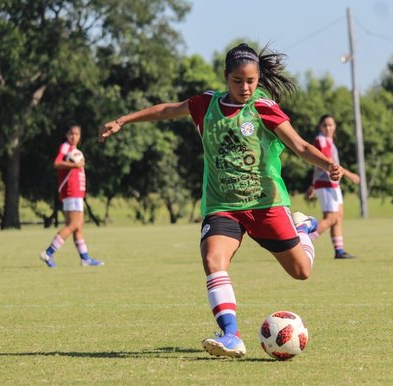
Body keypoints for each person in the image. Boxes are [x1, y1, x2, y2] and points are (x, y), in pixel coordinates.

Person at [99, 43, 346, 358]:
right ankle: (231, 335)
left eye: (251, 81)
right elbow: (166, 110)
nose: (245, 88)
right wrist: (123, 120)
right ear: (225, 78)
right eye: (237, 81)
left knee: (301, 271)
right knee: (213, 260)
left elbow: (298, 145)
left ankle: (303, 230)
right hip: (222, 207)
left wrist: (327, 164)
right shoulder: (206, 104)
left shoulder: (263, 108)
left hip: (265, 206)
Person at [39, 124, 105, 268]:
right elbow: (57, 163)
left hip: (77, 192)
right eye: (71, 134)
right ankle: (48, 252)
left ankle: (85, 258)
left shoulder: (75, 151)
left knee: (78, 227)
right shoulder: (65, 147)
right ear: (66, 135)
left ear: (80, 136)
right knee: (73, 224)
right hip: (71, 191)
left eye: (76, 134)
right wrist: (75, 166)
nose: (73, 136)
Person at [305, 115, 360, 259]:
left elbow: (316, 166)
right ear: (320, 127)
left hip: (333, 184)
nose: (328, 128)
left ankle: (339, 250)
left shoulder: (330, 141)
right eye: (325, 125)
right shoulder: (321, 140)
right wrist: (349, 175)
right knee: (331, 218)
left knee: (338, 217)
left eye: (330, 125)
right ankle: (304, 239)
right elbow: (327, 162)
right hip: (326, 183)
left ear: (335, 127)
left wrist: (312, 184)